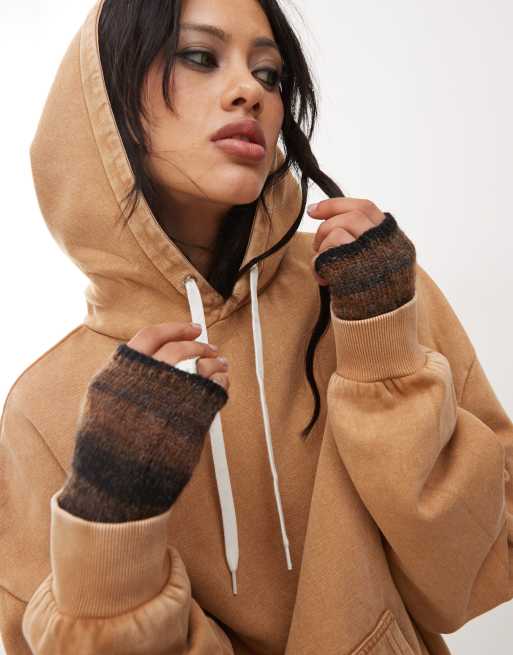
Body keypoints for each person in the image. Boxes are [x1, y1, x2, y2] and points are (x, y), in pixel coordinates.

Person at [0, 0, 512, 653]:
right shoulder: (44, 407)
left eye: (269, 74)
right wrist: (111, 515)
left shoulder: (361, 287)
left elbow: (470, 575)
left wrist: (384, 357)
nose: (251, 91)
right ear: (103, 102)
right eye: (199, 56)